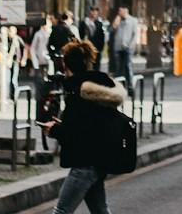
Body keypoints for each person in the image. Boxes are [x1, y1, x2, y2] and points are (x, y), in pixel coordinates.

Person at [39, 38, 127, 214]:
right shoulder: (100, 88)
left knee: (62, 211)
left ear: (66, 65)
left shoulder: (78, 93)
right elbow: (88, 125)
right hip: (99, 161)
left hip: (84, 164)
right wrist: (64, 125)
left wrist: (54, 129)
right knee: (100, 210)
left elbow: (77, 132)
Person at [108, 8, 140, 84]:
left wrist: (131, 46)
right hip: (118, 47)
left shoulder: (133, 20)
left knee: (128, 66)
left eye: (120, 11)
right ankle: (119, 85)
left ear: (125, 10)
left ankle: (130, 86)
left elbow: (135, 34)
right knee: (118, 68)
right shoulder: (117, 20)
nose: (119, 12)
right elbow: (110, 31)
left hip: (128, 48)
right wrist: (114, 24)